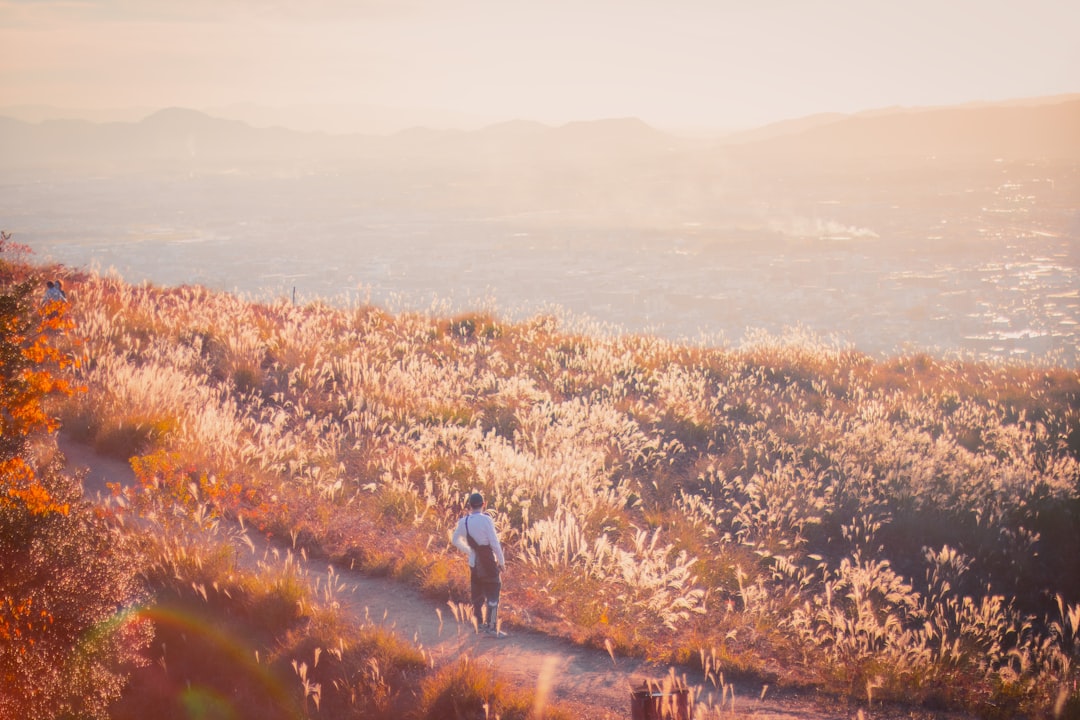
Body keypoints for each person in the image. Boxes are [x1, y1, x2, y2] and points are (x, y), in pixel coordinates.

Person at [452, 491, 507, 637]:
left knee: (477, 596)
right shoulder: (486, 520)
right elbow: (494, 543)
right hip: (488, 562)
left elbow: (455, 540)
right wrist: (501, 561)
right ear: (484, 504)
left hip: (474, 563)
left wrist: (470, 551)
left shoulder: (463, 522)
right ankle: (492, 627)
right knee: (493, 595)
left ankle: (479, 625)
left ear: (469, 505)